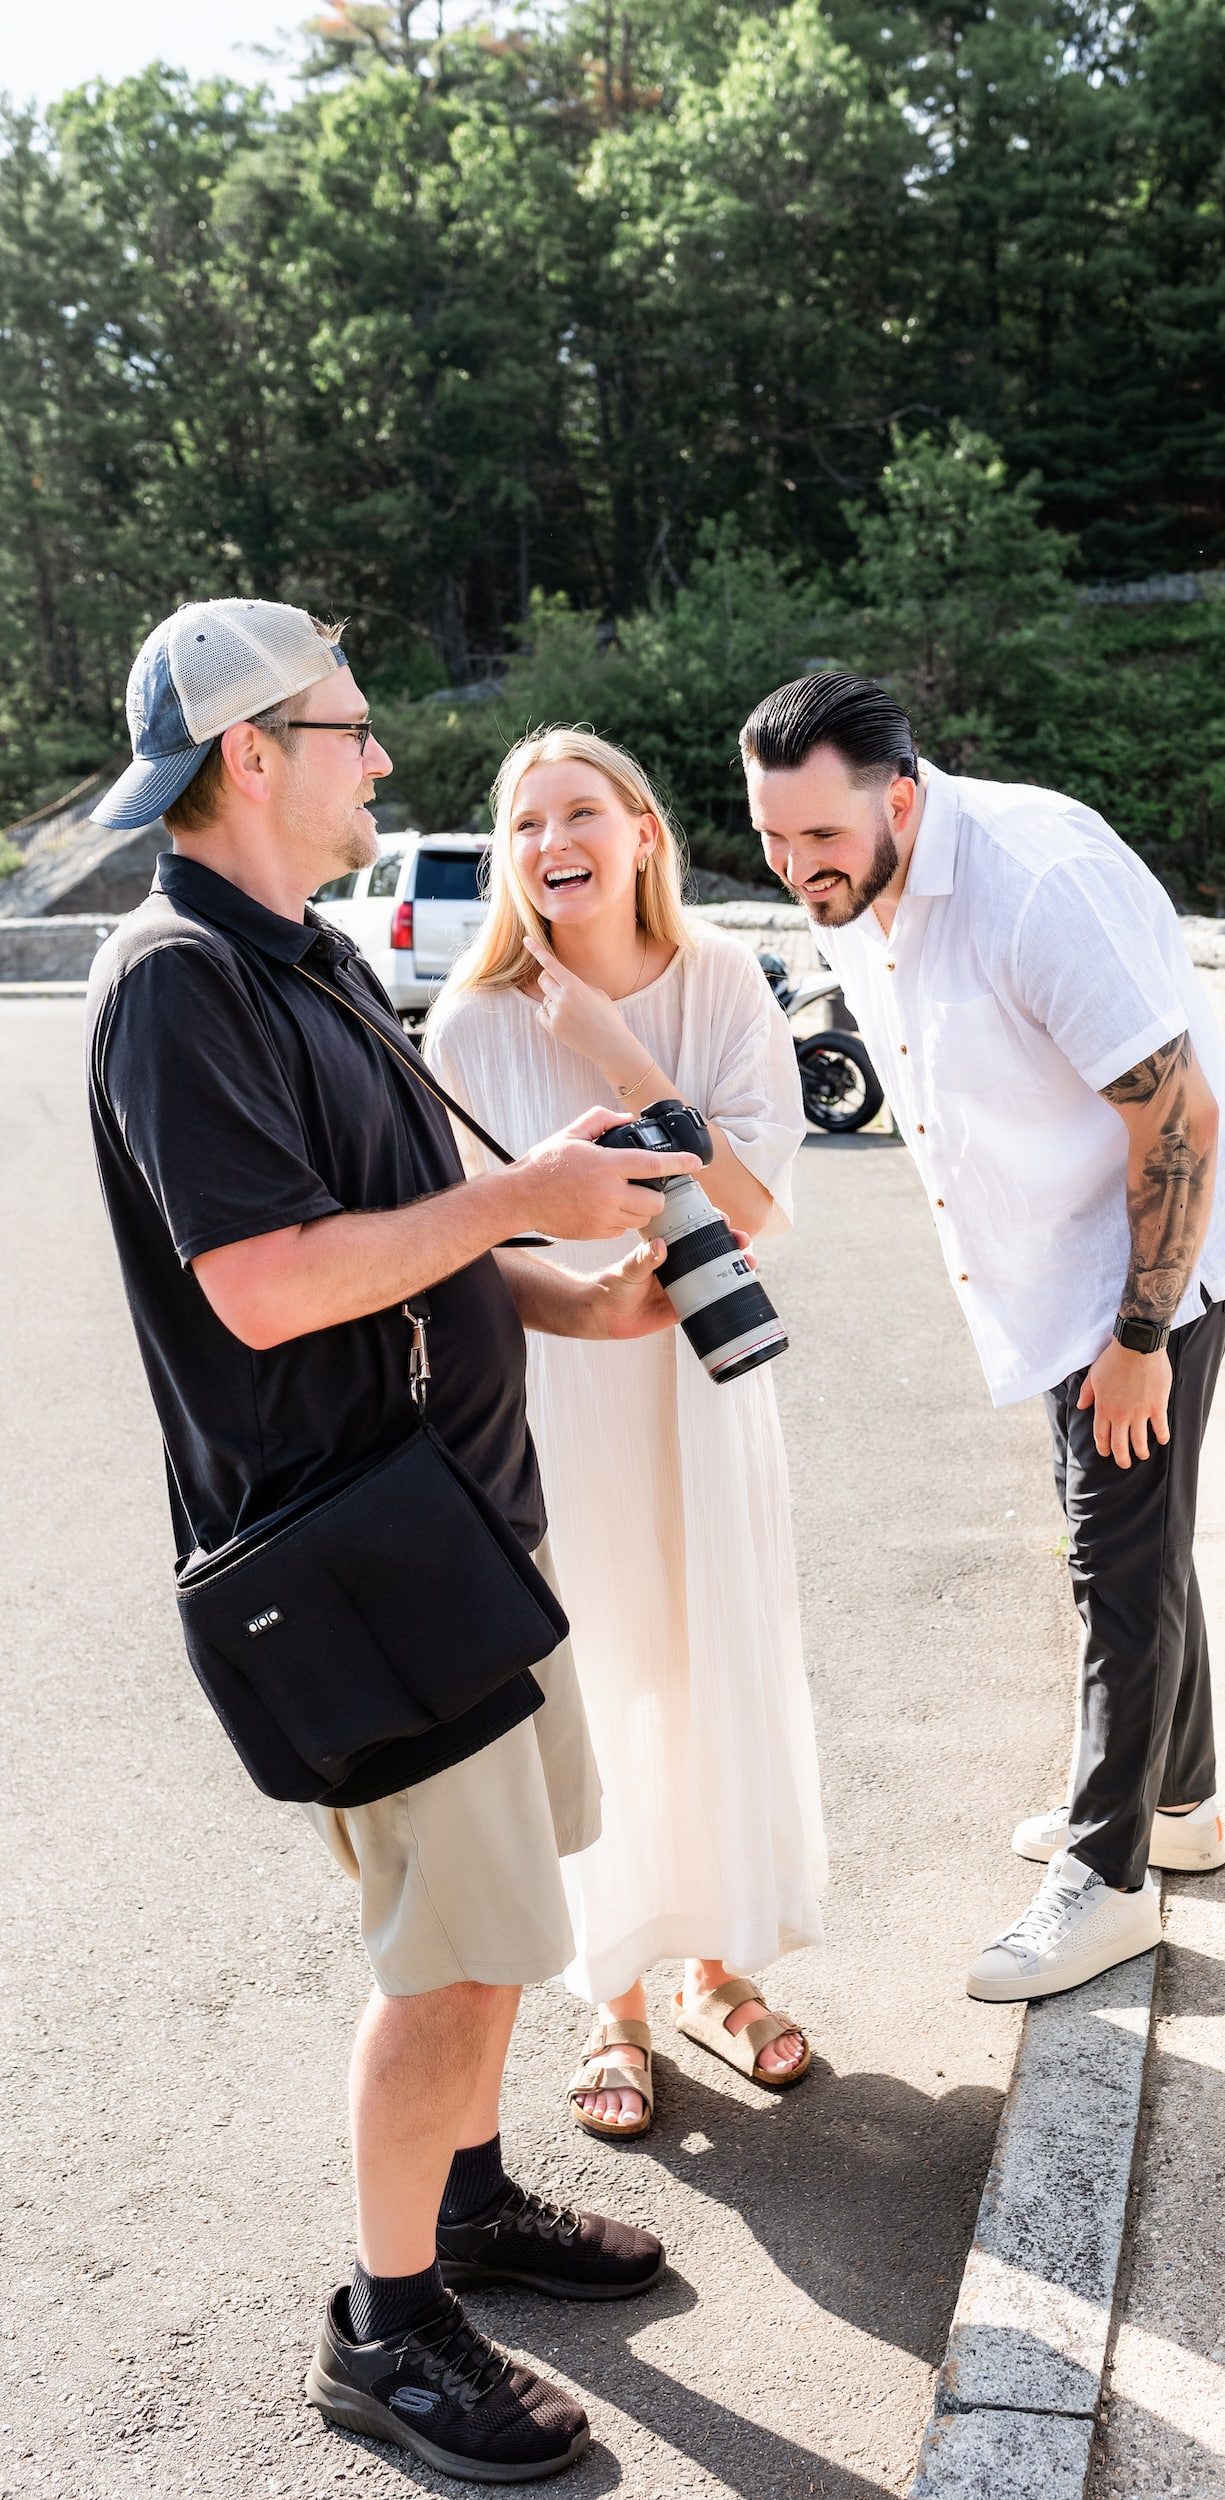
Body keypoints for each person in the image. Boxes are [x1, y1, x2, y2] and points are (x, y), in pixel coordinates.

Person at [84, 601, 713, 2484]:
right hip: (356, 1561)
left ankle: (463, 2200)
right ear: (249, 757)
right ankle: (387, 2327)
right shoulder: (175, 983)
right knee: (445, 1962)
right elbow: (271, 1288)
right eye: (349, 729)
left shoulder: (309, 954)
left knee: (503, 1919)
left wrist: (563, 1290)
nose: (381, 757)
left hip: (455, 1528)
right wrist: (529, 1190)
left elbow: (410, 1236)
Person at [741, 673, 1225, 2004]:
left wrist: (1139, 1338)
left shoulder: (1035, 889)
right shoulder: (866, 887)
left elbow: (1183, 1125)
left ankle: (1107, 1880)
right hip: (1054, 1275)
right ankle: (1183, 1807)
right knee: (1141, 1529)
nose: (795, 866)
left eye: (820, 838)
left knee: (1115, 1547)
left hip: (1153, 1266)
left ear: (903, 799)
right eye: (770, 837)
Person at [426, 728, 826, 2139]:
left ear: (643, 831)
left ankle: (718, 1968)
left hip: (703, 1387)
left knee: (706, 1654)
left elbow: (758, 1205)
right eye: (523, 822)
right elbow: (451, 1248)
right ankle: (617, 1998)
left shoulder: (719, 982)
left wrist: (607, 1044)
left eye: (579, 811)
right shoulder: (467, 1025)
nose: (550, 843)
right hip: (557, 1385)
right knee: (597, 1675)